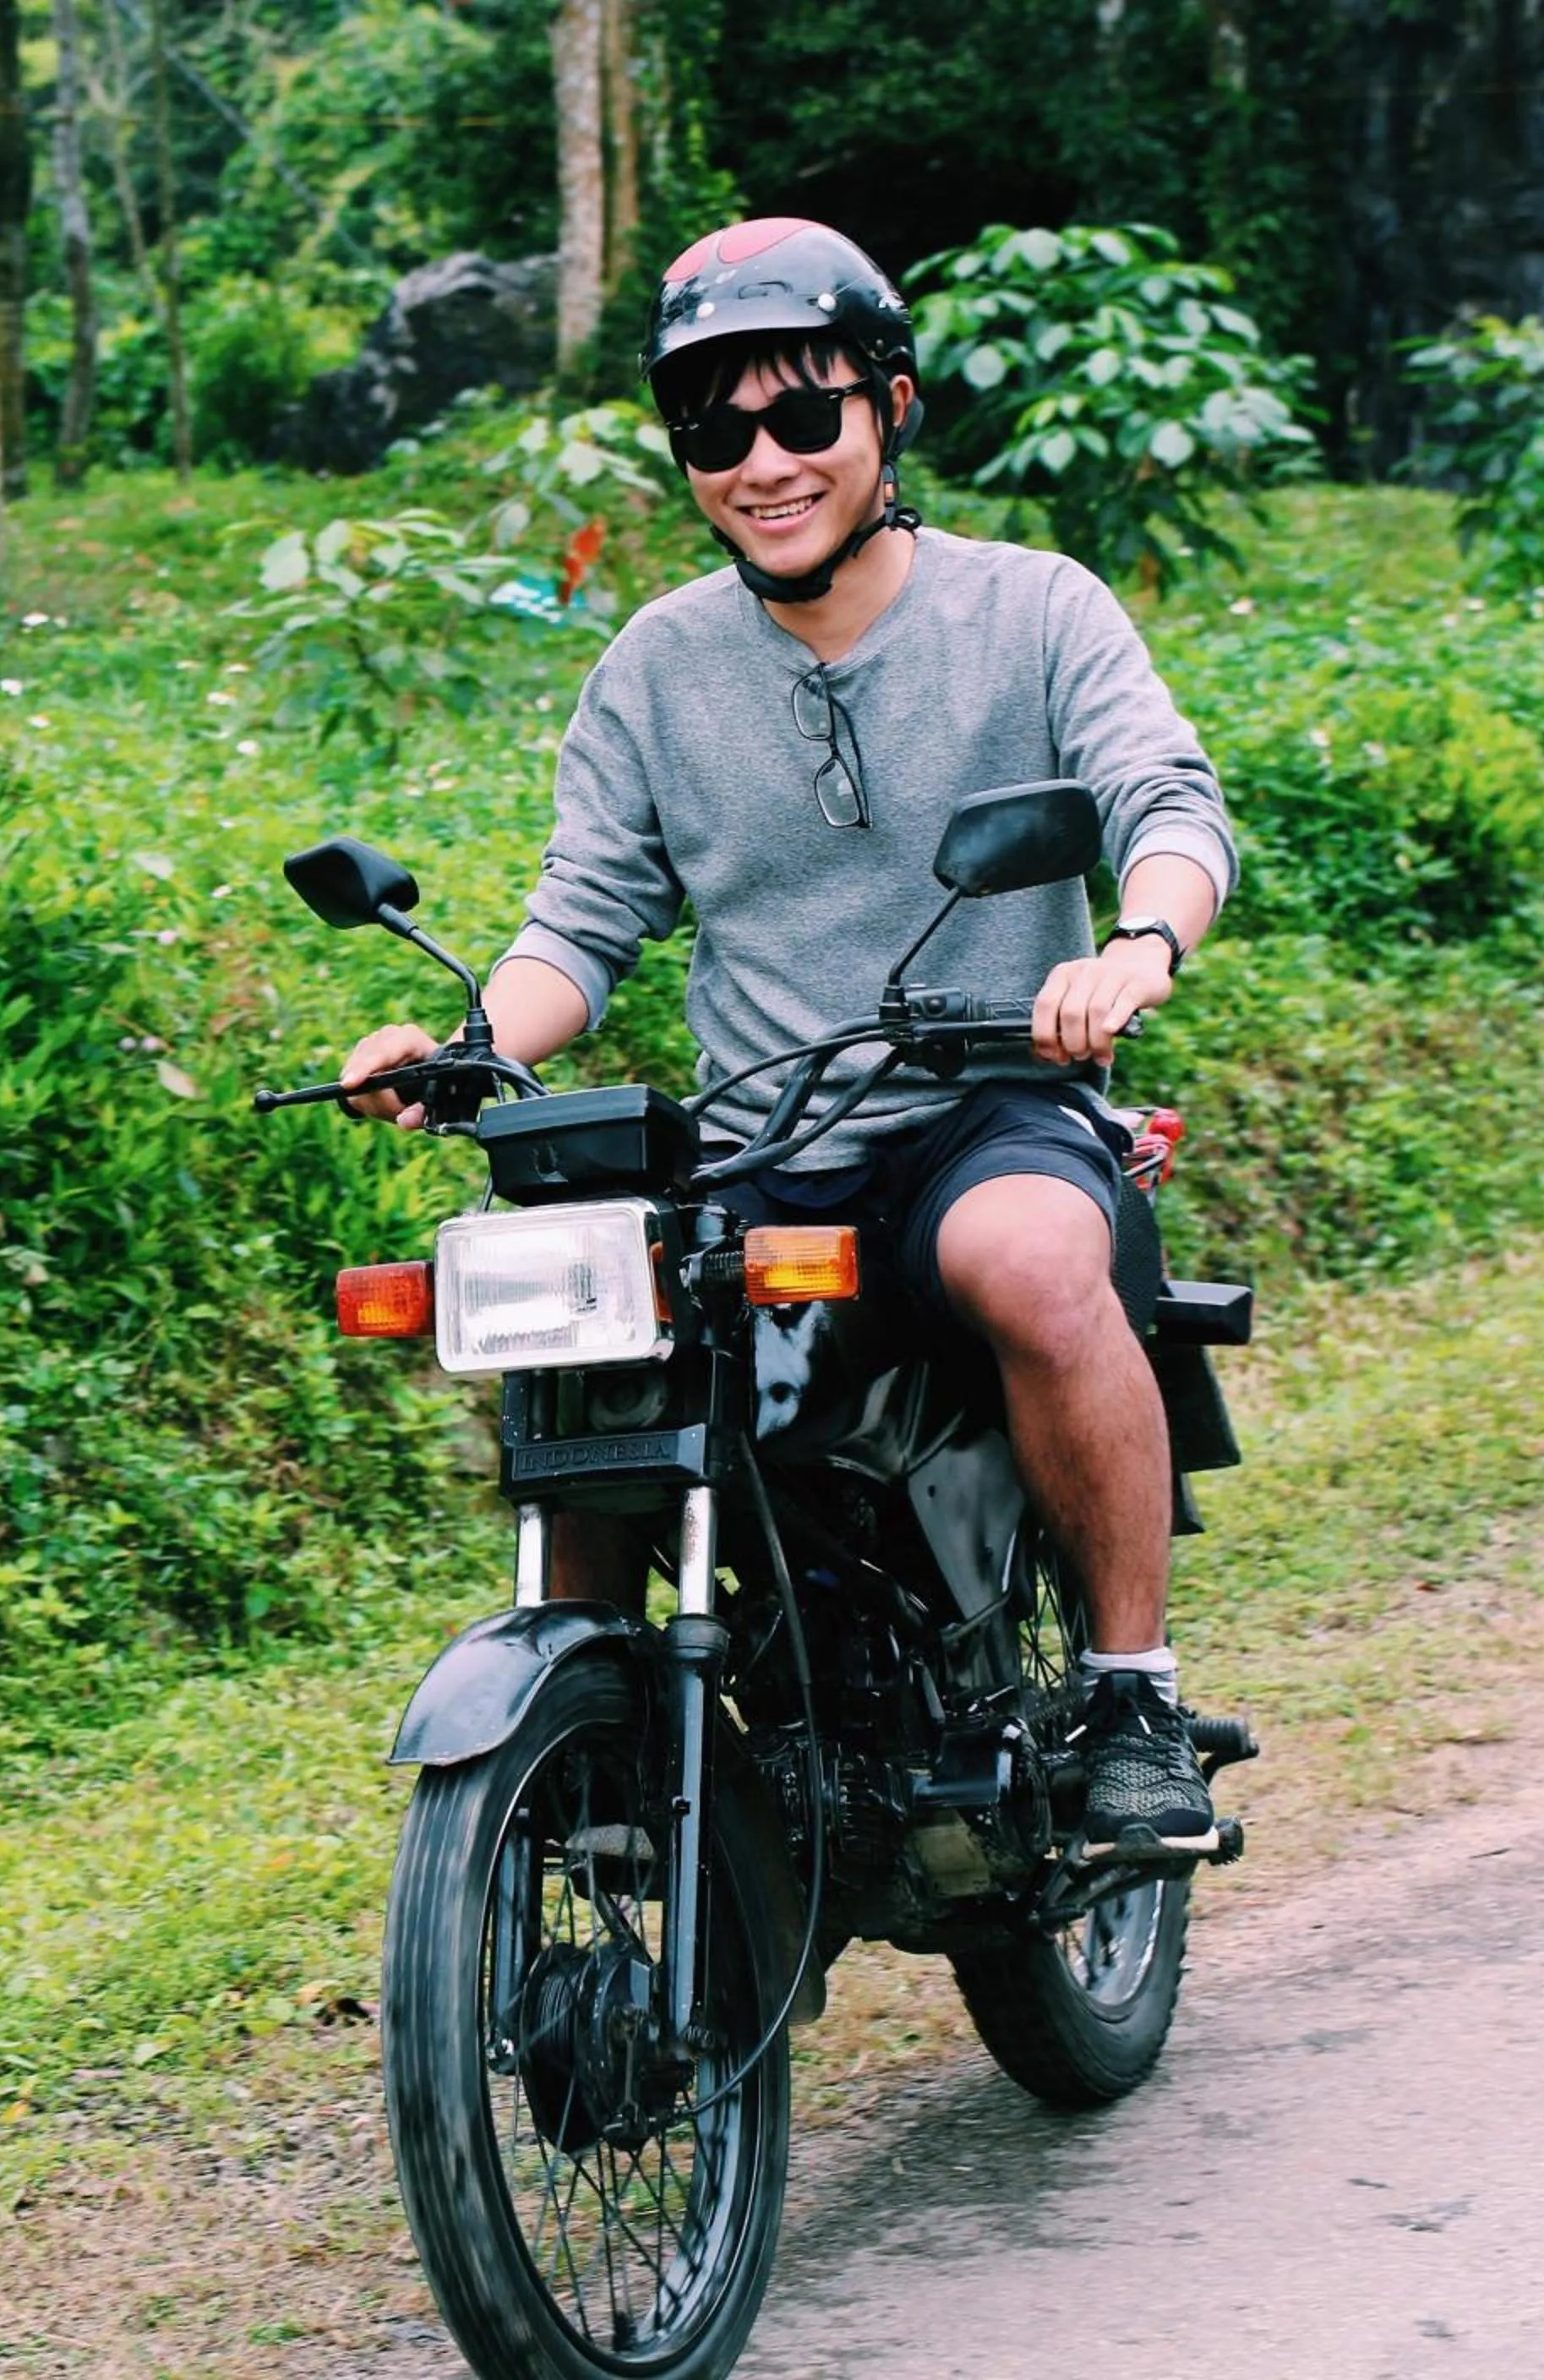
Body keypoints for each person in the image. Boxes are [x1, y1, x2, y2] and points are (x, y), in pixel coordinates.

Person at [340, 216, 1237, 1864]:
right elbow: (581, 922)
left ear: (888, 409)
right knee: (571, 1323)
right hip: (760, 1146)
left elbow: (1166, 807)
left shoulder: (1034, 611)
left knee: (1038, 1259)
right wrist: (465, 1040)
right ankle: (593, 1745)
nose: (761, 462)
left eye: (802, 416)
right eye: (713, 429)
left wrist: (1134, 944)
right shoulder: (654, 666)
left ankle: (1128, 1695)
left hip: (984, 1110)